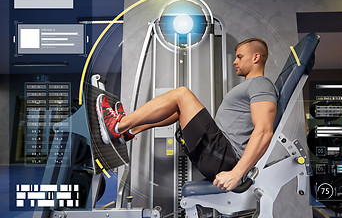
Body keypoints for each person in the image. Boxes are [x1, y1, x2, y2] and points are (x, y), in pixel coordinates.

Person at [96, 38, 278, 192]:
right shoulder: (252, 86)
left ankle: (117, 125)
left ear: (256, 57)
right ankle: (130, 130)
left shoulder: (261, 84)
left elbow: (264, 131)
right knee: (178, 110)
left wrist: (237, 173)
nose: (235, 61)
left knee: (181, 94)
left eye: (239, 57)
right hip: (219, 154)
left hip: (225, 158)